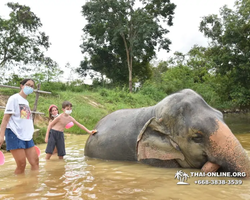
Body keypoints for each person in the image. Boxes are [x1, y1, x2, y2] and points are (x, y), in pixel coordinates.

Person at [0, 79, 39, 174]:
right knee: (21, 165)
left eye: (32, 86)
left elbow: (24, 120)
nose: (29, 87)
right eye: (27, 84)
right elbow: (5, 119)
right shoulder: (14, 99)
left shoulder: (26, 102)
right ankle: (18, 187)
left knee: (35, 162)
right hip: (14, 134)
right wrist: (1, 136)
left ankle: (33, 186)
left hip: (26, 136)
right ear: (21, 85)